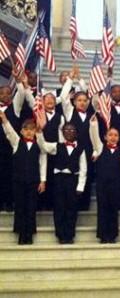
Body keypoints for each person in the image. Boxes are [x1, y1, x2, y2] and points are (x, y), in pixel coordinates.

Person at [36, 121, 87, 244]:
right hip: (59, 180)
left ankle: (69, 235)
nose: (69, 132)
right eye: (67, 130)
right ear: (63, 133)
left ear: (76, 133)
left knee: (71, 208)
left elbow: (83, 168)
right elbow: (43, 146)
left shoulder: (80, 149)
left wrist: (80, 186)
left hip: (72, 180)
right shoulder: (56, 145)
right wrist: (39, 133)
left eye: (72, 130)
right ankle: (60, 235)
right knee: (59, 207)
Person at [0, 113, 46, 244]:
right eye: (26, 129)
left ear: (35, 131)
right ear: (21, 131)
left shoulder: (39, 146)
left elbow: (43, 163)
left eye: (32, 129)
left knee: (31, 207)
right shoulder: (16, 142)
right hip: (18, 180)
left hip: (33, 180)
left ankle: (29, 233)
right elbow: (9, 131)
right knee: (20, 206)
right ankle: (21, 233)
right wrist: (4, 119)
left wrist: (42, 180)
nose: (29, 132)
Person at [60, 67, 95, 210]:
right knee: (74, 177)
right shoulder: (70, 113)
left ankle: (84, 204)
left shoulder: (91, 115)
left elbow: (95, 135)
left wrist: (81, 79)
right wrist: (70, 79)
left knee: (87, 176)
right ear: (74, 102)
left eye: (84, 100)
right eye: (79, 100)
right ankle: (73, 204)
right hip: (73, 150)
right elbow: (63, 97)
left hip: (88, 150)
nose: (82, 102)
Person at [89, 116, 120, 243]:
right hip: (102, 184)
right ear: (105, 137)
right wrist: (94, 124)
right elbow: (94, 137)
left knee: (113, 209)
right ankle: (103, 235)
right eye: (110, 135)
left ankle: (112, 235)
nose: (113, 137)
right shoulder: (100, 148)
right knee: (103, 209)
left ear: (119, 137)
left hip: (115, 184)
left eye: (116, 135)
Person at [0, 69, 26, 212]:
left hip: (11, 147)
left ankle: (10, 202)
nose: (5, 95)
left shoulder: (15, 107)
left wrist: (18, 81)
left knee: (11, 175)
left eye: (7, 92)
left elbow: (21, 94)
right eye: (2, 93)